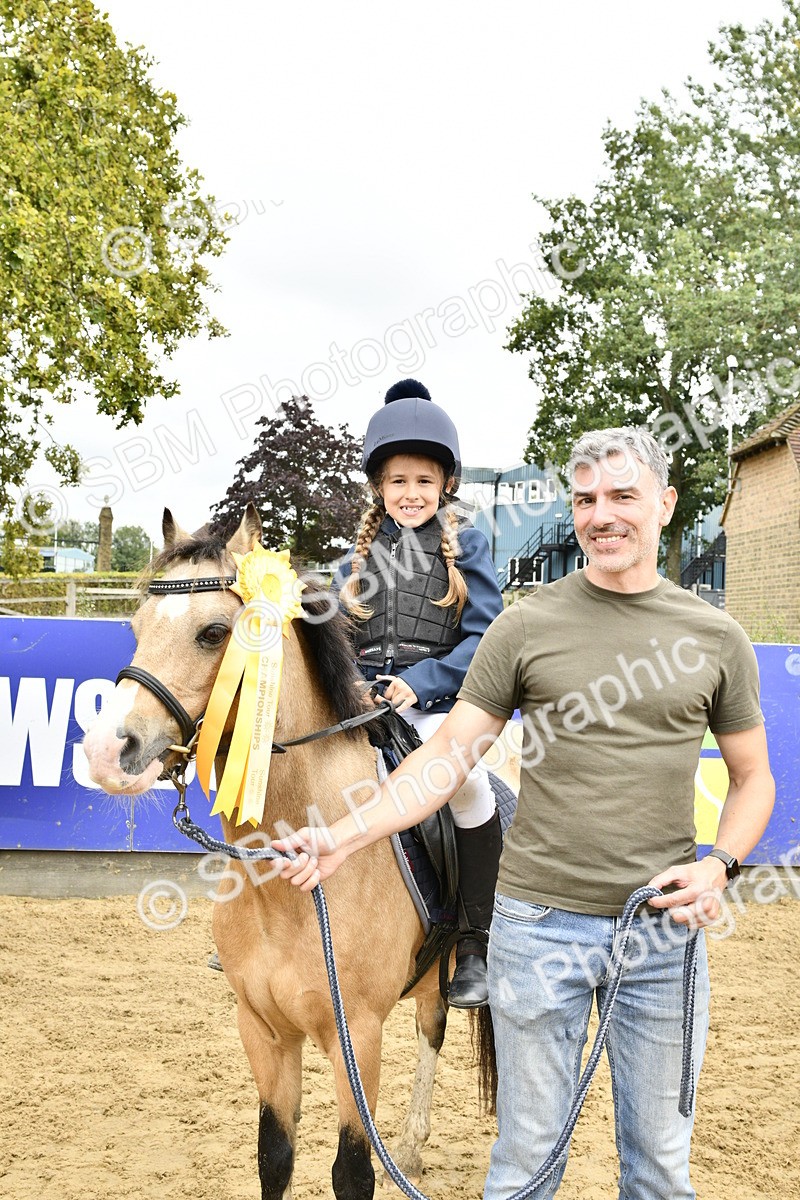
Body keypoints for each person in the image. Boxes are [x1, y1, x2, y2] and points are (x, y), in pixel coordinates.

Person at [275, 426, 774, 1199]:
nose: (601, 515)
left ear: (666, 505)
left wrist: (719, 864)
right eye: (584, 500)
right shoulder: (525, 627)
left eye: (621, 496)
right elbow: (444, 760)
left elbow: (753, 780)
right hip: (539, 928)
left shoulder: (715, 636)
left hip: (663, 931)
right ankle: (467, 937)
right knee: (524, 1165)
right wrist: (344, 835)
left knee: (660, 1171)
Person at [333, 377, 505, 1007]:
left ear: (446, 485)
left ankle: (474, 942)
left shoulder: (470, 545)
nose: (411, 494)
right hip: (360, 708)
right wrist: (349, 682)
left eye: (424, 482)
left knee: (467, 785)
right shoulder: (352, 560)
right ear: (380, 486)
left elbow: (486, 639)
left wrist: (417, 683)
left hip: (439, 707)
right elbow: (330, 641)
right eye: (399, 482)